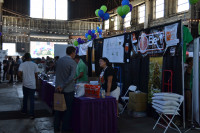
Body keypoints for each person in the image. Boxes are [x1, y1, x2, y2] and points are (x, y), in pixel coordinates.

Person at [54, 46, 77, 133]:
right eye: (75, 53)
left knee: (58, 108)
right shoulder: (72, 62)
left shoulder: (59, 60)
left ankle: (56, 127)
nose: (75, 54)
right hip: (68, 90)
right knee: (67, 110)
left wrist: (59, 86)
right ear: (72, 53)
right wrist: (63, 86)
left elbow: (58, 73)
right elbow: (71, 77)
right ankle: (65, 129)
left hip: (58, 89)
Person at [18, 53, 39, 119]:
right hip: (32, 85)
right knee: (32, 99)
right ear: (30, 57)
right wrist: (37, 84)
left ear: (25, 58)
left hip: (25, 84)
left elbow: (19, 73)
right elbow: (36, 76)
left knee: (25, 98)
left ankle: (24, 111)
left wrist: (22, 78)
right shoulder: (34, 65)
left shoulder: (22, 64)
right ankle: (31, 114)